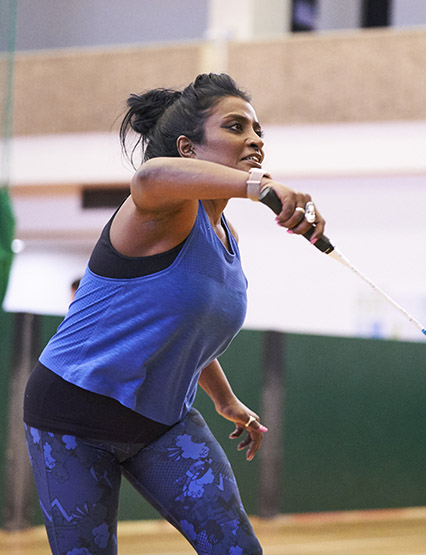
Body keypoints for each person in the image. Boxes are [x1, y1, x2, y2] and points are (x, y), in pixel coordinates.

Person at [23, 73, 325, 555]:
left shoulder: (226, 238)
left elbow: (182, 328)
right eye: (235, 126)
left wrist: (225, 400)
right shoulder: (161, 211)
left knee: (236, 549)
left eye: (257, 129)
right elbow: (149, 177)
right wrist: (259, 186)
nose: (254, 139)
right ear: (188, 147)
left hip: (162, 423)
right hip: (73, 414)